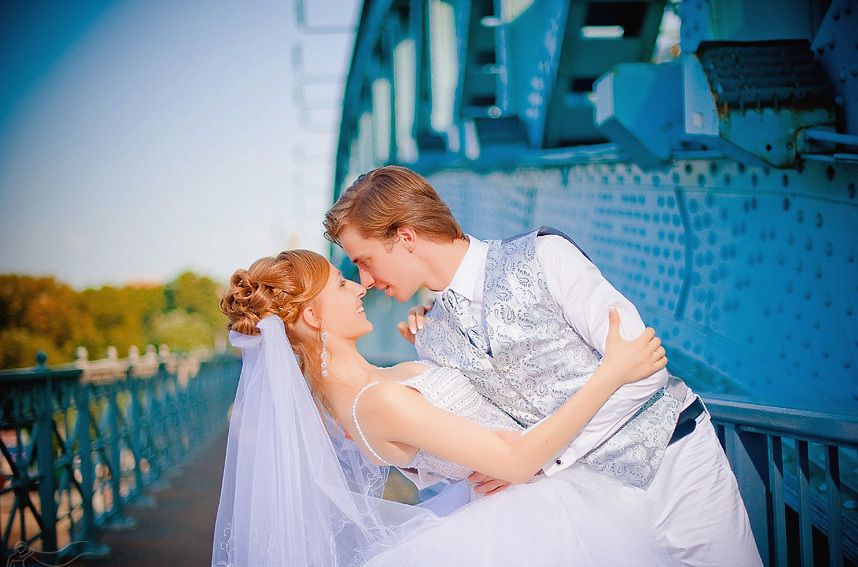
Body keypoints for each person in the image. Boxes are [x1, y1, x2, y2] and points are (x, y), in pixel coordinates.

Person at [323, 165, 762, 566]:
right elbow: (475, 432)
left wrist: (542, 463)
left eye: (364, 261)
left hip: (676, 463)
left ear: (405, 237)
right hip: (593, 510)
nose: (365, 281)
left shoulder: (545, 255)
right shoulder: (430, 337)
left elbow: (643, 368)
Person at [212, 249, 674, 566]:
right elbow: (515, 461)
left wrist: (434, 340)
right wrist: (611, 372)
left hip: (531, 500)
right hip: (534, 522)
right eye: (341, 283)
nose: (358, 287)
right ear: (314, 317)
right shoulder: (376, 401)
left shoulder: (375, 388)